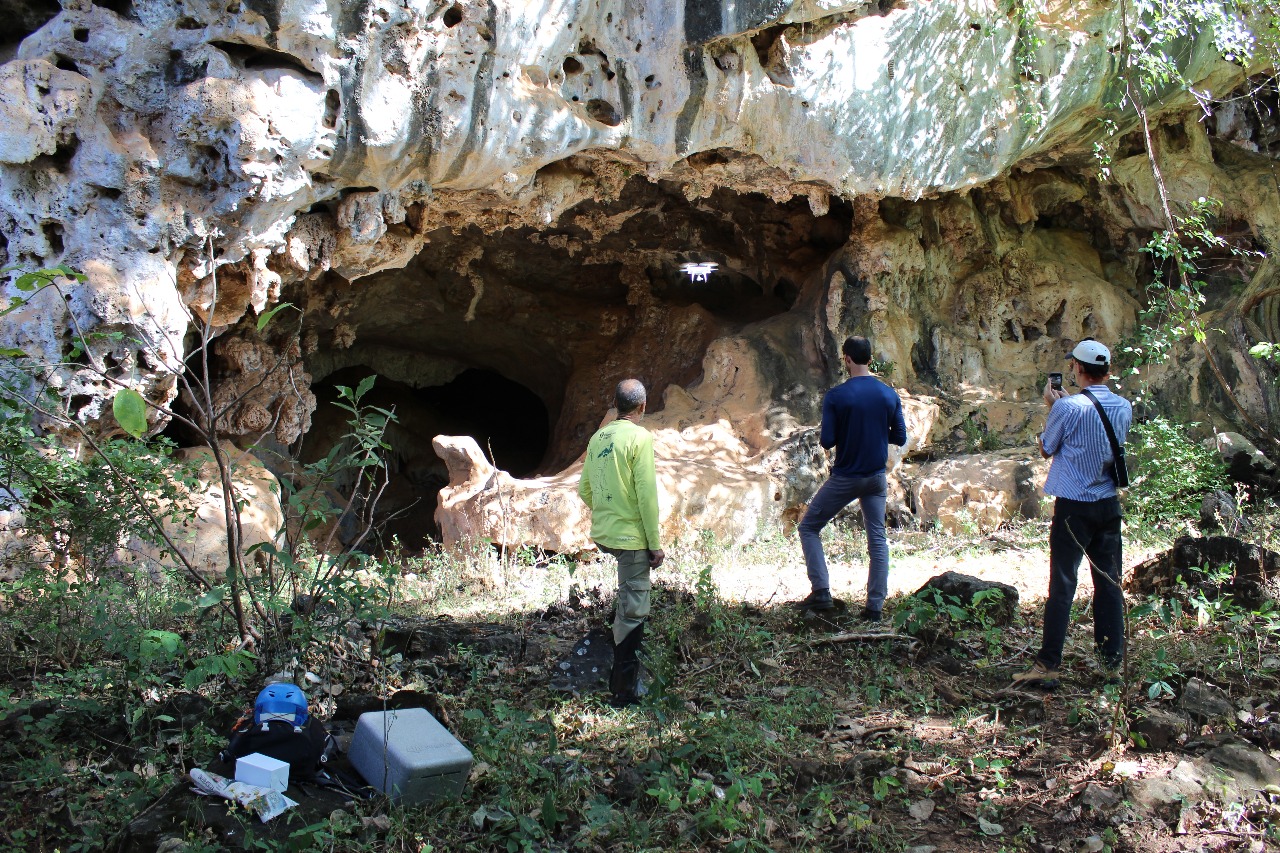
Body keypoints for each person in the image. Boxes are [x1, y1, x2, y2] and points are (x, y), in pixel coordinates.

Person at [1013, 338, 1132, 689]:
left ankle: (1048, 664)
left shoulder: (1068, 408)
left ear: (1077, 369)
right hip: (1108, 504)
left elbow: (1047, 448)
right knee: (1108, 584)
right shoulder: (1123, 406)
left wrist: (1054, 407)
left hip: (1072, 508)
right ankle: (1111, 665)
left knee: (1063, 584)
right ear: (1107, 371)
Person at [796, 336, 908, 621]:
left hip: (846, 477)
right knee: (877, 540)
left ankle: (821, 592)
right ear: (870, 359)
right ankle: (874, 608)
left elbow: (827, 440)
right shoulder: (889, 395)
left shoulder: (836, 396)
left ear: (846, 359)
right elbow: (899, 436)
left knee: (809, 527)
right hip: (875, 478)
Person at [578, 379, 665, 707]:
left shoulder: (598, 437)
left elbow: (584, 490)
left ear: (616, 405)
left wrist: (608, 514)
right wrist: (654, 543)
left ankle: (620, 677)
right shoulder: (640, 437)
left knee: (627, 600)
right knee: (633, 609)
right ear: (642, 406)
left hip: (605, 533)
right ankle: (623, 691)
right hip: (630, 538)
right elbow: (646, 493)